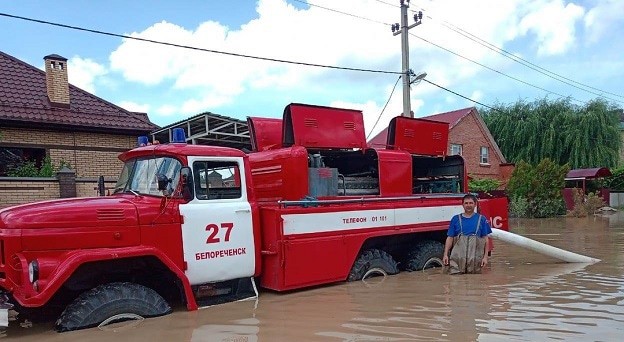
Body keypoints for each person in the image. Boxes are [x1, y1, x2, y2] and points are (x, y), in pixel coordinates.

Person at [442, 194, 492, 274]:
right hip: (457, 260)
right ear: (462, 205)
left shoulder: (481, 219)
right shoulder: (455, 219)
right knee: (455, 282)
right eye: (466, 203)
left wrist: (485, 257)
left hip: (475, 260)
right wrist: (445, 255)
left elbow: (486, 240)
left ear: (475, 204)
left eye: (471, 203)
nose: (468, 205)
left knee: (475, 282)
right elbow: (450, 238)